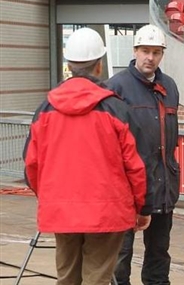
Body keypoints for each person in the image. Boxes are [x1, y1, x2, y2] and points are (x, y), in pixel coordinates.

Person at [23, 27, 152, 285]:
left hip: (61, 211)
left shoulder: (45, 109)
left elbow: (32, 166)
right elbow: (136, 166)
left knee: (67, 277)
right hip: (108, 211)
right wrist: (141, 207)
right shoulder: (116, 109)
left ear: (69, 65)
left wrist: (53, 199)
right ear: (98, 67)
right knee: (97, 279)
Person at [104, 24, 180, 285]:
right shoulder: (116, 87)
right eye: (145, 51)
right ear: (135, 50)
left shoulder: (169, 86)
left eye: (156, 52)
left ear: (162, 54)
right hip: (125, 190)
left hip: (162, 187)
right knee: (120, 256)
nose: (150, 57)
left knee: (159, 254)